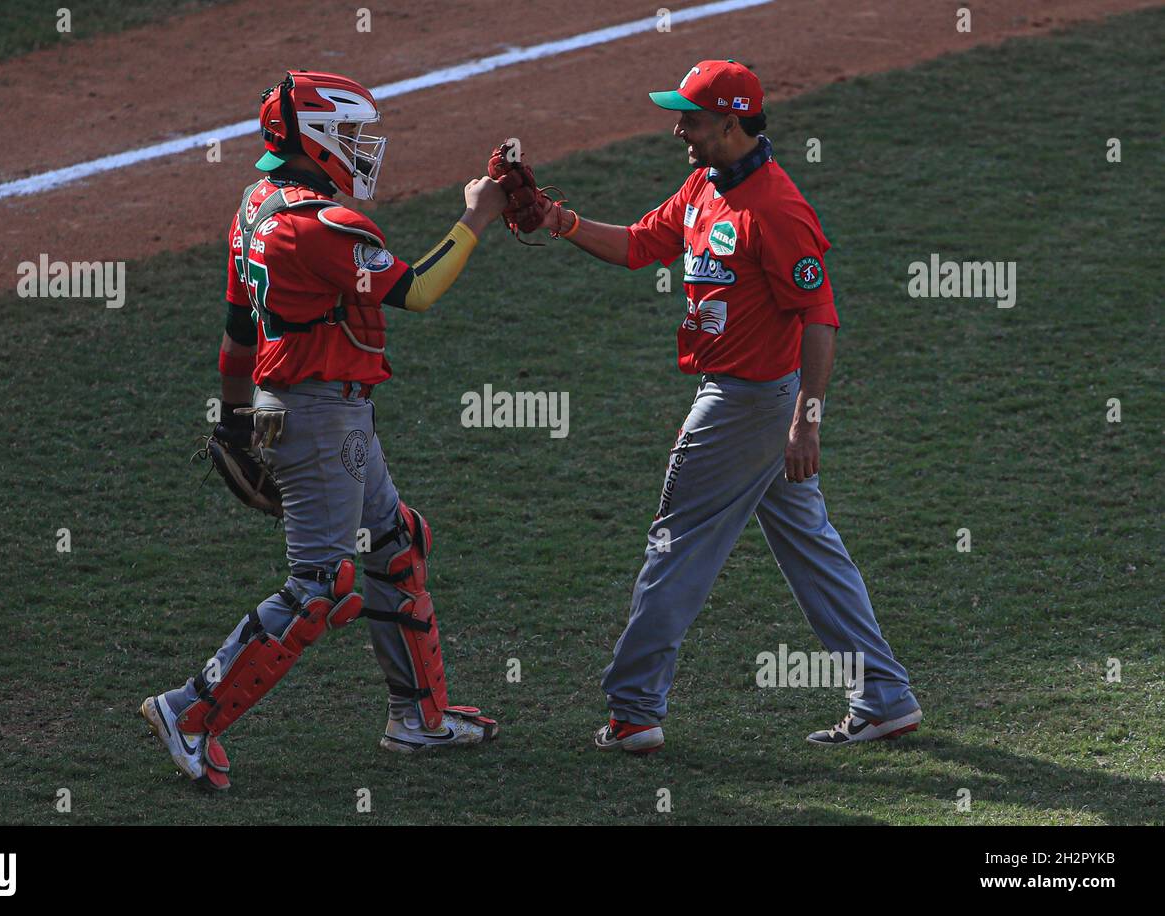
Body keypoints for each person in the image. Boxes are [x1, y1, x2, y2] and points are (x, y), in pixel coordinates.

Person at [521, 60, 921, 753]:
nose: (679, 130)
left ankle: (634, 710)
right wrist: (562, 221)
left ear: (732, 124)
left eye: (692, 120)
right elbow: (644, 245)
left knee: (675, 545)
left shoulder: (777, 208)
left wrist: (807, 419)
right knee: (812, 549)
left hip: (747, 404)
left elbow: (820, 318)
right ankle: (884, 697)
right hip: (748, 399)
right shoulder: (705, 184)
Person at [141, 70, 507, 790]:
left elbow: (236, 336)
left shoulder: (254, 208)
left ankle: (419, 719)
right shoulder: (326, 227)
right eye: (351, 134)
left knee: (396, 543)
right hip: (319, 415)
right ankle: (189, 713)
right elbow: (421, 291)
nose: (364, 147)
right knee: (323, 584)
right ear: (314, 137)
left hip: (307, 409)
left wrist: (232, 421)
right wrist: (478, 213)